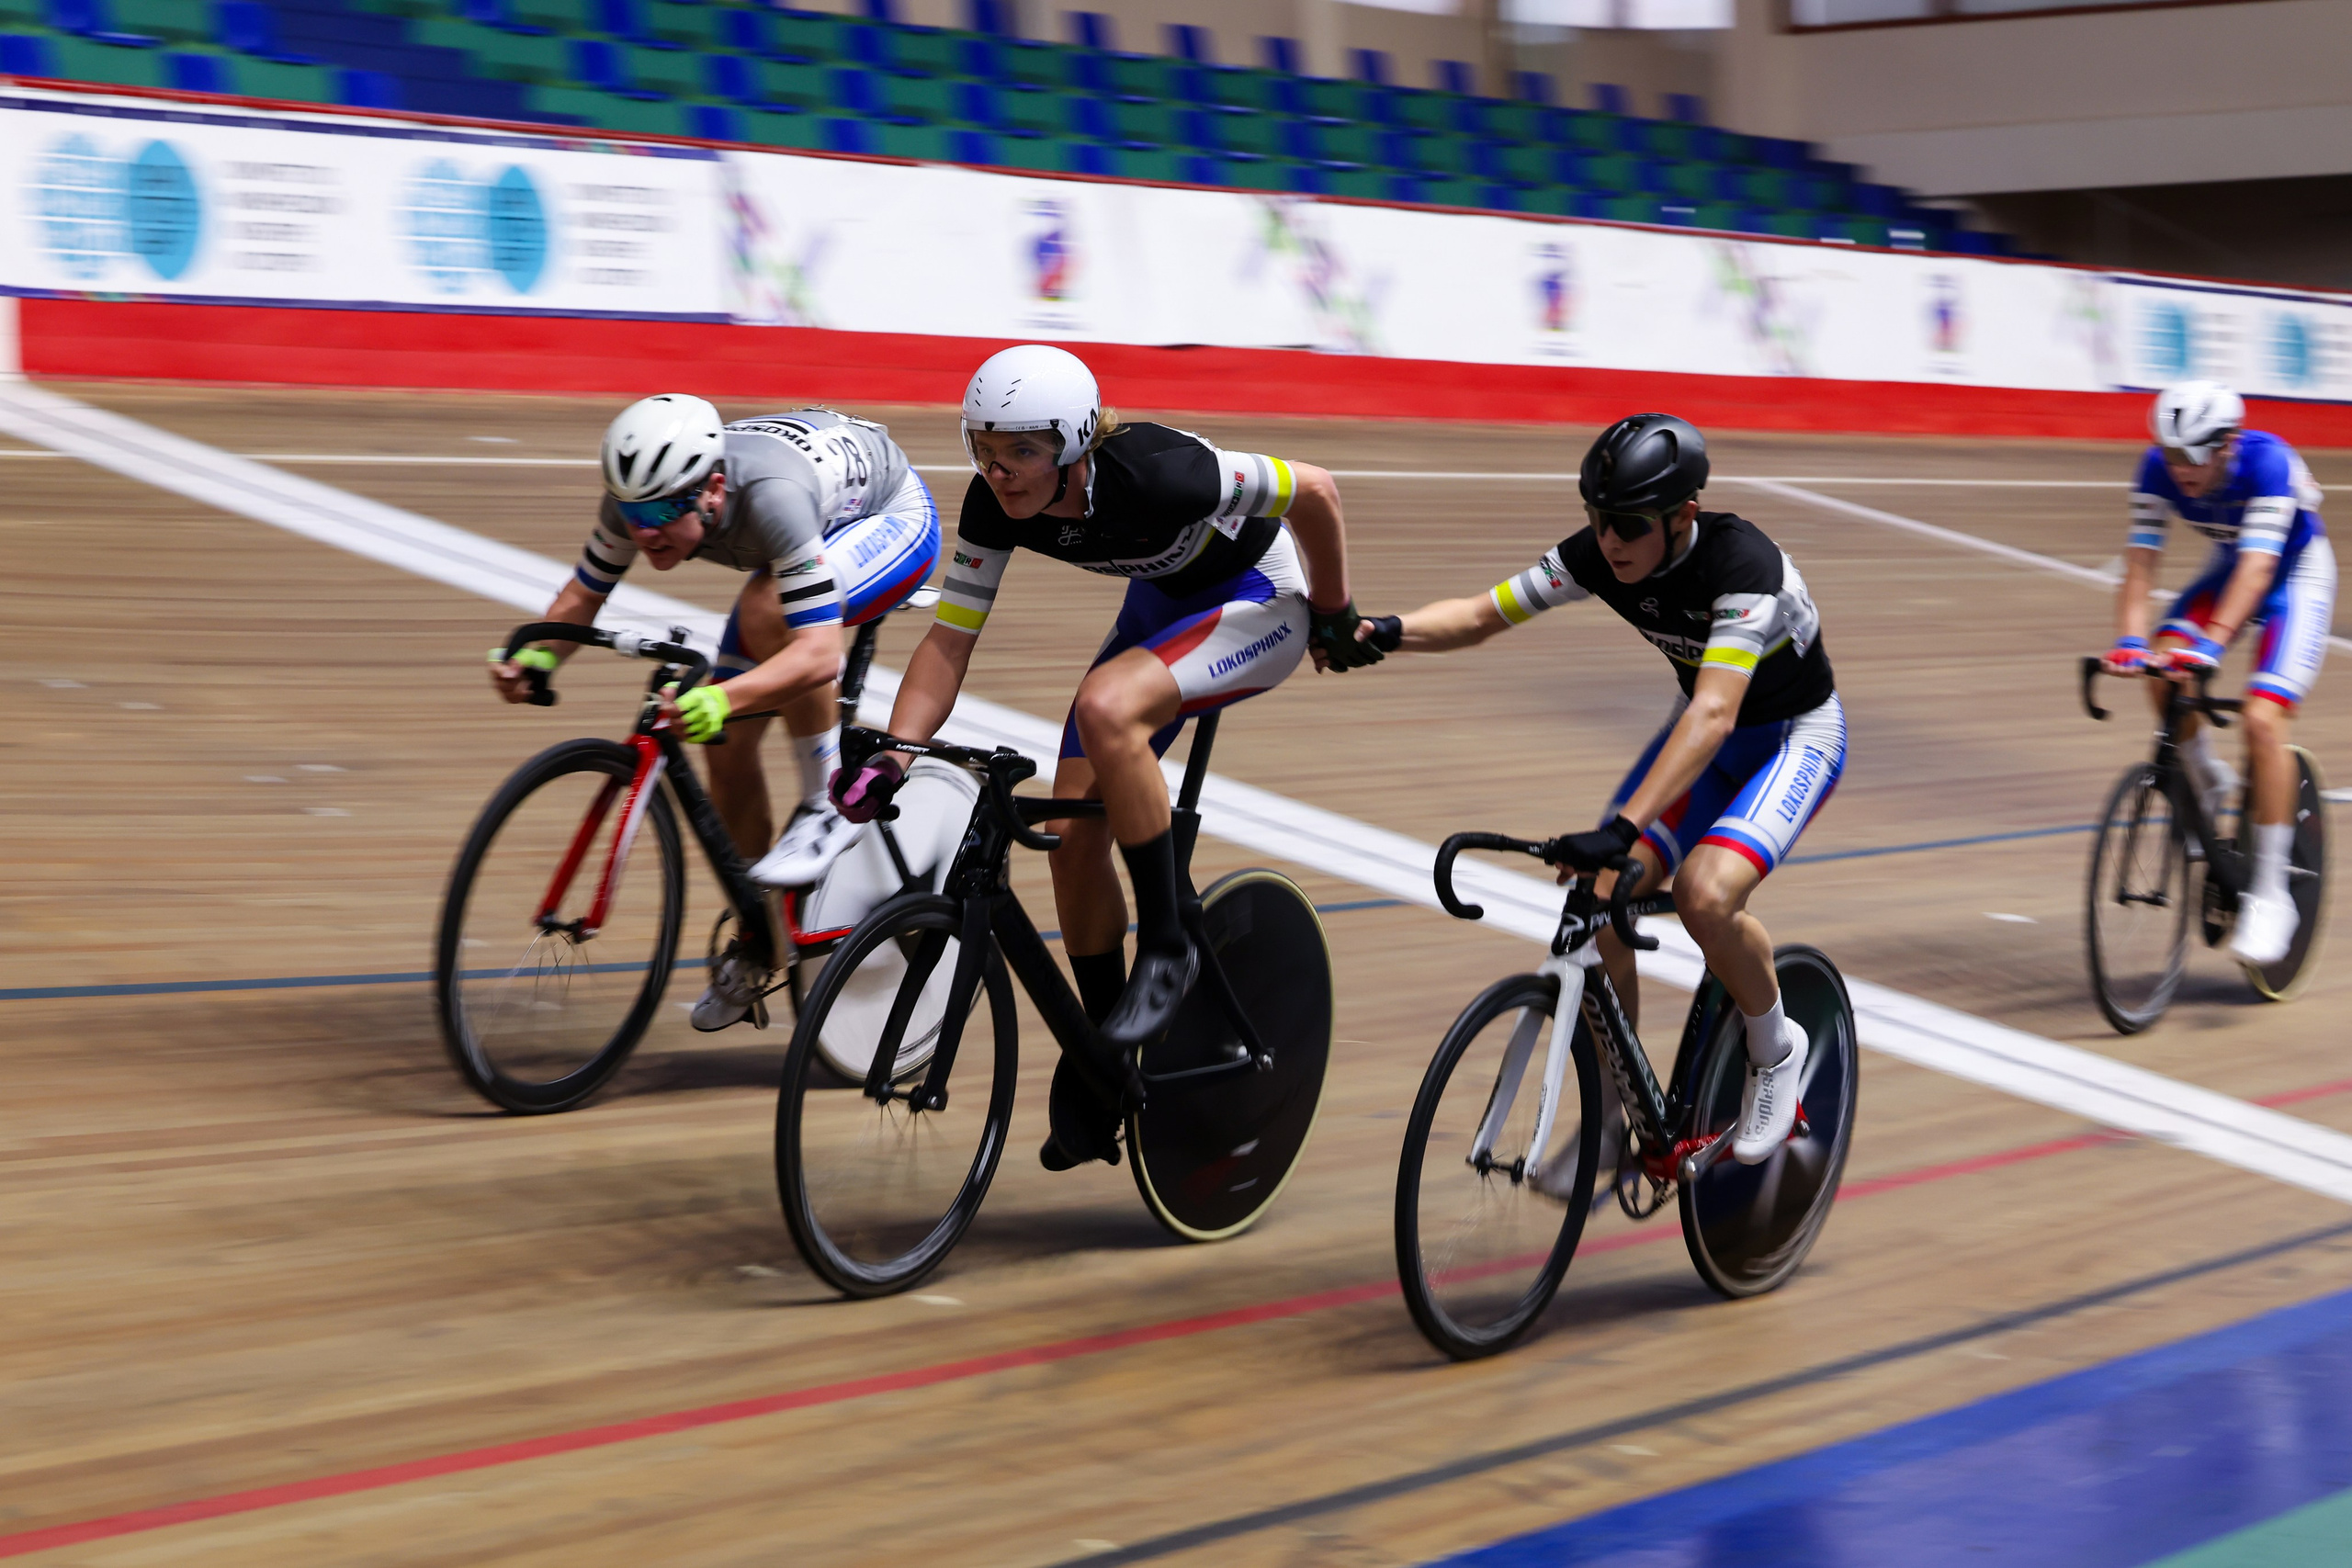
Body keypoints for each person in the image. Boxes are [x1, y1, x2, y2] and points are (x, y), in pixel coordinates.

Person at [832, 344, 1380, 1169]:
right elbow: (949, 643)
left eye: (1022, 451)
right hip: (1161, 610)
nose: (1001, 472)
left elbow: (1318, 490)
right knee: (1072, 833)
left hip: (1258, 601)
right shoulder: (993, 505)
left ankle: (1169, 943)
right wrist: (897, 756)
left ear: (1077, 442)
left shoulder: (1164, 473)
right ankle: (1105, 1055)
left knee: (1103, 708)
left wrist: (1334, 611)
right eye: (984, 449)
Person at [1358, 413, 1844, 1168]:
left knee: (1706, 895)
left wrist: (1622, 825)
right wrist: (1386, 631)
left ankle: (1776, 1047)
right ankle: (1618, 1118)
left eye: (1625, 522)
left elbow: (1715, 713)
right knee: (1602, 899)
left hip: (1790, 738)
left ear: (1684, 513)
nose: (1607, 538)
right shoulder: (1599, 554)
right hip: (1709, 735)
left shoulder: (1743, 563)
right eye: (1596, 518)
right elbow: (1484, 616)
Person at [489, 394, 941, 1030]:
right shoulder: (641, 498)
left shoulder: (769, 498)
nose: (646, 531)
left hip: (891, 517)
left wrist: (720, 695)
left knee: (768, 611)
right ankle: (764, 935)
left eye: (664, 511)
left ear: (713, 488)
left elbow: (816, 656)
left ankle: (824, 804)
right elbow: (581, 596)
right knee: (724, 744)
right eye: (633, 512)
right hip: (811, 521)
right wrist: (537, 659)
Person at [2101, 381, 2332, 967]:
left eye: (2193, 456)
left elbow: (2258, 573)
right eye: (2171, 454)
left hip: (2294, 578)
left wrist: (2213, 645)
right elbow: (2141, 562)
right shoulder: (2156, 468)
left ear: (2228, 444)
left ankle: (2273, 893)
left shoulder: (2268, 463)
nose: (2180, 469)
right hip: (2231, 569)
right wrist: (2130, 640)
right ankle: (2208, 777)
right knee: (2160, 666)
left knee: (2260, 720)